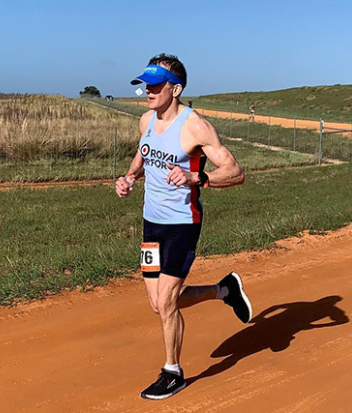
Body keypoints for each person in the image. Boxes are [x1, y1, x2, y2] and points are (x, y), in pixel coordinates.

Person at [116, 53, 252, 400]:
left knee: (167, 300)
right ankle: (224, 291)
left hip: (182, 223)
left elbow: (235, 172)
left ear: (175, 89)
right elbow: (144, 153)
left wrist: (198, 177)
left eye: (156, 85)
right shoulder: (146, 120)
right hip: (151, 224)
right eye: (146, 84)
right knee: (159, 304)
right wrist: (130, 177)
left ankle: (172, 373)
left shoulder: (196, 127)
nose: (148, 91)